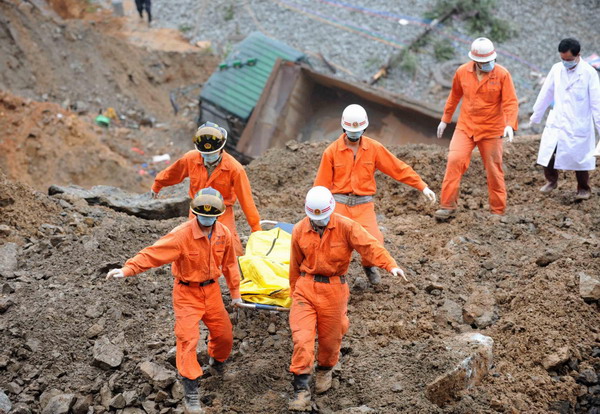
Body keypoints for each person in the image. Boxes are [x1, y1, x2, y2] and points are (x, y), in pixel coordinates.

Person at [106, 188, 242, 414]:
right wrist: (128, 269)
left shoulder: (223, 234)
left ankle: (217, 364)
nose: (207, 220)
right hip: (187, 294)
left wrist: (235, 293)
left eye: (211, 216)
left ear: (219, 215)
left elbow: (229, 265)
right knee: (188, 339)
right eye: (202, 216)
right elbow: (153, 253)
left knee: (224, 334)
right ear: (195, 213)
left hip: (212, 291)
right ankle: (191, 392)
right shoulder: (182, 235)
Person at [287, 186, 407, 412]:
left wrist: (390, 265)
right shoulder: (299, 229)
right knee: (302, 338)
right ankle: (300, 389)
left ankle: (324, 369)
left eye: (323, 218)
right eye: (316, 218)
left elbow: (369, 247)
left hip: (334, 288)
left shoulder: (346, 226)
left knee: (331, 339)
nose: (319, 222)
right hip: (306, 286)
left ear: (330, 211)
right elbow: (294, 264)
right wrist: (294, 292)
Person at [314, 104, 435, 285]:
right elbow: (321, 184)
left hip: (363, 205)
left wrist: (422, 186)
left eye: (358, 130)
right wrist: (316, 212)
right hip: (338, 204)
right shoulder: (331, 151)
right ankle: (334, 277)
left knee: (374, 240)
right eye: (351, 130)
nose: (354, 134)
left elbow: (397, 168)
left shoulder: (374, 148)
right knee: (334, 243)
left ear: (365, 128)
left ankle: (369, 266)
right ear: (344, 128)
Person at [435, 37, 519, 220]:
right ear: (476, 61)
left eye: (491, 61)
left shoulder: (502, 75)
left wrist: (510, 125)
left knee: (493, 169)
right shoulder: (462, 72)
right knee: (454, 160)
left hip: (491, 130)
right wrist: (445, 119)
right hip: (466, 127)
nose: (489, 64)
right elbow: (454, 96)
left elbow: (511, 102)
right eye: (484, 62)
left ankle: (498, 211)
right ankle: (447, 206)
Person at [151, 122, 261, 255]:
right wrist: (158, 184)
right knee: (192, 246)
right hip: (197, 210)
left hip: (223, 212)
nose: (208, 157)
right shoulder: (191, 158)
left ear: (220, 148)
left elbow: (246, 200)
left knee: (231, 249)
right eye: (205, 154)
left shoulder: (234, 169)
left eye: (212, 153)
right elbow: (173, 173)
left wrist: (256, 228)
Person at [529, 38, 600, 200]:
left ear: (578, 55)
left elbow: (597, 103)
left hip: (578, 122)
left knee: (580, 158)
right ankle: (551, 181)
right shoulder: (556, 69)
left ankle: (584, 188)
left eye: (568, 60)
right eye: (562, 59)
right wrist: (536, 115)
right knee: (549, 152)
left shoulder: (589, 73)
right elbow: (546, 93)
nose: (565, 62)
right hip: (558, 120)